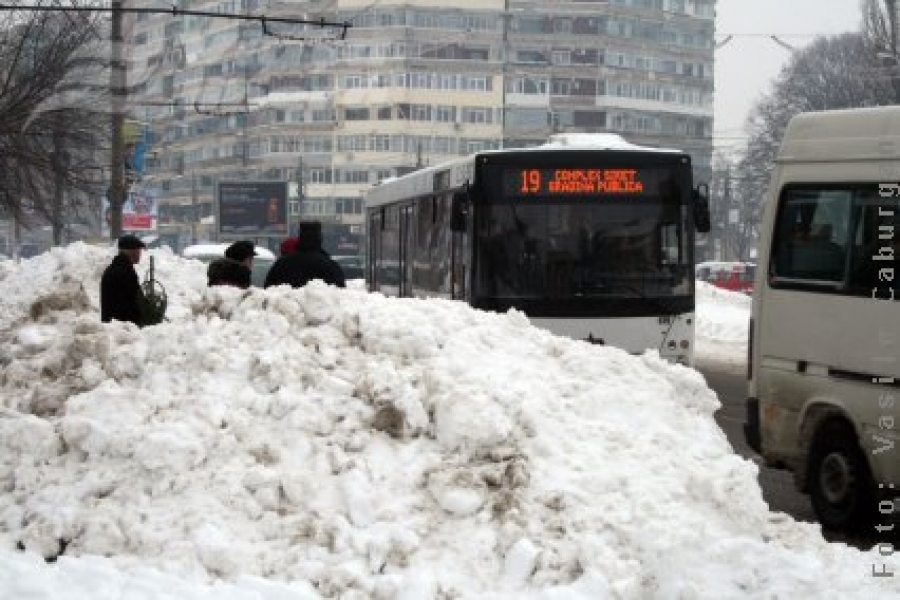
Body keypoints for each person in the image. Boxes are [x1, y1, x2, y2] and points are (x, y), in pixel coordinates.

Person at [264, 221, 345, 288]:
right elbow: (340, 296)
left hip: (286, 306)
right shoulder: (330, 266)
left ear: (300, 238)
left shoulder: (281, 264)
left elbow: (268, 291)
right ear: (320, 239)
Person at [100, 234, 147, 326]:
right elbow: (133, 301)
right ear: (131, 251)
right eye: (138, 250)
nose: (140, 253)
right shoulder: (123, 272)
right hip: (122, 328)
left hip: (115, 326)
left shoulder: (117, 267)